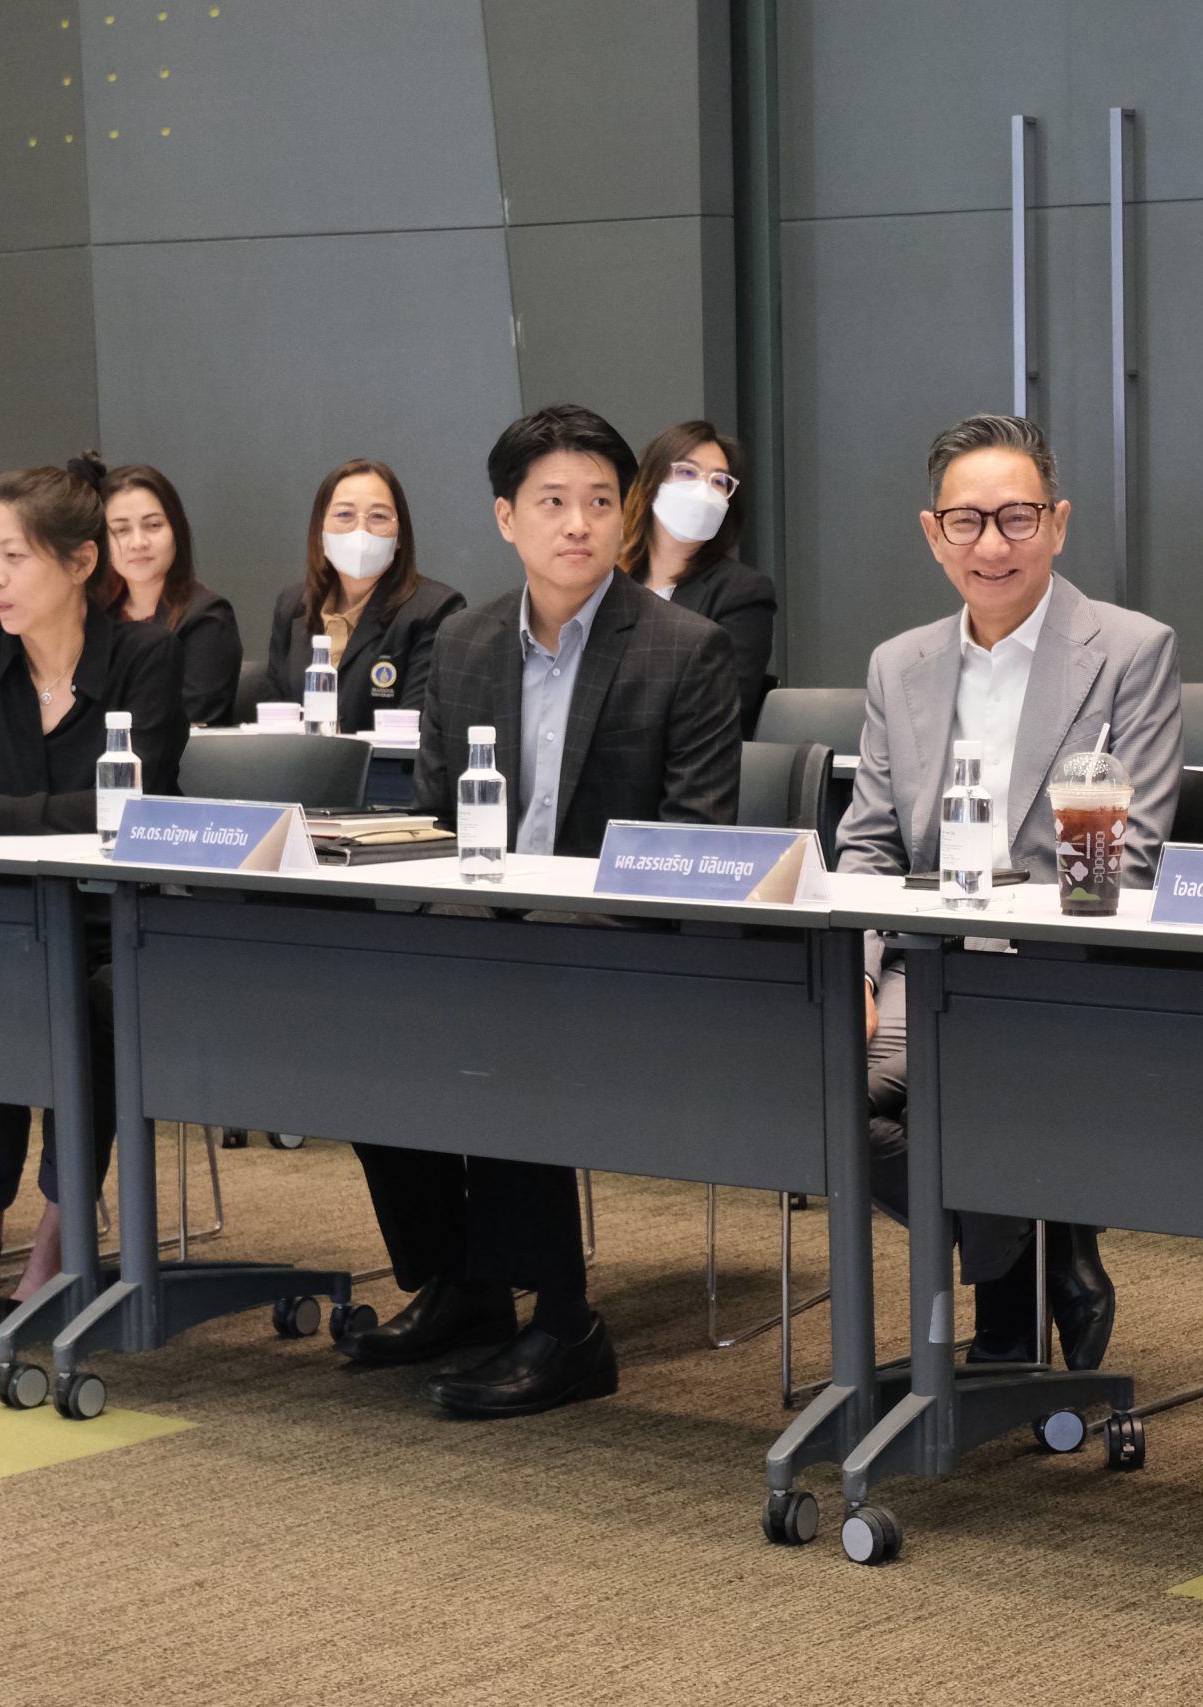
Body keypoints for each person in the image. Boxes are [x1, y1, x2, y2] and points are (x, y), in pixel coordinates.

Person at [340, 405, 742, 1418]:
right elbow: (435, 819)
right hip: (489, 931)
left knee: (507, 1005)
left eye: (600, 502)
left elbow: (694, 844)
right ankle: (463, 1283)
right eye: (553, 502)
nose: (578, 523)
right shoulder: (464, 642)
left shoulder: (686, 649)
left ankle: (567, 1323)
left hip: (626, 947)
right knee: (362, 1008)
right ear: (505, 517)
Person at [835, 412, 1180, 1371]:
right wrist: (858, 972)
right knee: (823, 1087)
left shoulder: (1130, 650)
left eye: (1017, 518)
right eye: (967, 521)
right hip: (921, 966)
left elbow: (1136, 853)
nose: (992, 545)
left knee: (954, 1085)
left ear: (1058, 523)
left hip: (1051, 968)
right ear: (932, 533)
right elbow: (866, 845)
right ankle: (1042, 1239)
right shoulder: (899, 664)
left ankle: (1013, 1298)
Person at [0, 457, 188, 1322]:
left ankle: (60, 1226)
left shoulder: (145, 655)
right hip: (17, 915)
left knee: (89, 1004)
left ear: (81, 562)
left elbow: (130, 805)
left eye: (14, 557)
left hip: (120, 925)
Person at [264, 459, 464, 732]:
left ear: (400, 536)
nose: (361, 530)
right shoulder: (292, 605)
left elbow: (417, 725)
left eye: (378, 516)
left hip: (384, 760)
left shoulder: (435, 609)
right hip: (299, 759)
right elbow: (277, 718)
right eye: (344, 515)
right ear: (320, 531)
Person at [621, 420, 778, 734]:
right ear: (651, 482)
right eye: (688, 472)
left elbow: (722, 708)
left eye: (719, 481)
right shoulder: (609, 583)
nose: (703, 491)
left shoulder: (742, 592)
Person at [103, 463, 242, 726]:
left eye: (153, 525)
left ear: (176, 530)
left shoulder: (206, 617)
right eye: (121, 530)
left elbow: (194, 721)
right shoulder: (97, 618)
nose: (138, 542)